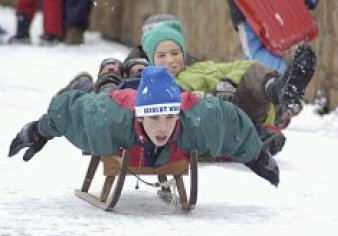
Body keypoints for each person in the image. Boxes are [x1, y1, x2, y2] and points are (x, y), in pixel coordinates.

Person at [8, 66, 280, 187]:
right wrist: (36, 131)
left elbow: (229, 120)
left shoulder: (196, 121)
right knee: (102, 89)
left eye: (169, 118)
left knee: (141, 72)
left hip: (165, 95)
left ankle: (139, 69)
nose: (162, 128)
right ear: (140, 118)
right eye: (154, 119)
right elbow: (67, 111)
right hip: (115, 101)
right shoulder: (107, 120)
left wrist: (257, 155)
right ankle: (88, 82)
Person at [140, 22, 316, 155]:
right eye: (162, 55)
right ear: (151, 60)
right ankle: (254, 135)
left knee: (251, 69)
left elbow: (239, 68)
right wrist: (208, 96)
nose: (170, 60)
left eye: (175, 53)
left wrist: (228, 83)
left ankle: (282, 91)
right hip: (206, 126)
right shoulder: (153, 85)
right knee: (208, 106)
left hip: (239, 110)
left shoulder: (200, 68)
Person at [226, 0, 319, 74]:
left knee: (254, 53)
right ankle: (243, 89)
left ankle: (284, 76)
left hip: (248, 10)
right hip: (273, 10)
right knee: (258, 53)